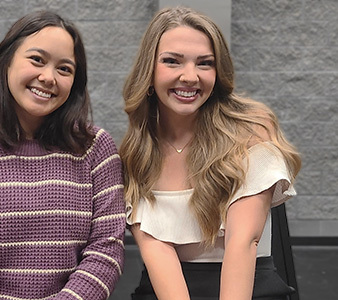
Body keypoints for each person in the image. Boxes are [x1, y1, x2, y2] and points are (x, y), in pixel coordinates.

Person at [0, 11, 125, 300]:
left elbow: (106, 251)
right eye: (37, 60)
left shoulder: (96, 149)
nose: (48, 77)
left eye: (65, 69)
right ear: (6, 61)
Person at [120, 6, 301, 300]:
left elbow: (243, 242)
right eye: (172, 61)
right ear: (149, 70)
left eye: (205, 63)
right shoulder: (136, 152)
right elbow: (157, 252)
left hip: (248, 286)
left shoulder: (251, 130)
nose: (190, 77)